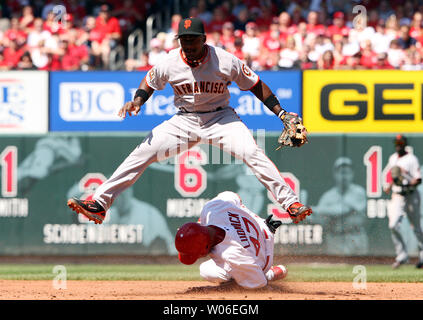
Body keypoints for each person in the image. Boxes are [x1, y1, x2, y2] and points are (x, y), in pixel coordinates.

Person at [67, 17, 312, 226]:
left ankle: (290, 203)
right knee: (143, 151)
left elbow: (256, 85)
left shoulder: (225, 60)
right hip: (184, 120)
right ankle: (100, 203)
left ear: (204, 39)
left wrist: (281, 113)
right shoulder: (170, 61)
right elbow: (149, 82)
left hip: (221, 118)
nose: (188, 45)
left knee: (252, 152)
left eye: (192, 40)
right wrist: (138, 101)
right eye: (184, 40)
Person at [175, 191, 287, 289]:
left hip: (263, 254)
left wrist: (216, 289)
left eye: (197, 255)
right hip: (264, 227)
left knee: (205, 270)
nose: (198, 257)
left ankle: (269, 273)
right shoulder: (212, 208)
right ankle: (254, 273)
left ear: (205, 248)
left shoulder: (233, 256)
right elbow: (234, 196)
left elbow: (259, 285)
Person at [310, 157, 368, 255]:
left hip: (356, 237)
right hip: (335, 238)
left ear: (352, 174)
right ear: (335, 174)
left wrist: (313, 209)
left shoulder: (358, 192)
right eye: (341, 172)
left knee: (360, 267)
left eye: (347, 172)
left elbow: (341, 210)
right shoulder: (327, 196)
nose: (344, 176)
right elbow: (320, 219)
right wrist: (305, 214)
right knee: (337, 268)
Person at [383, 134, 423, 269]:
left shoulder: (412, 159)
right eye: (396, 142)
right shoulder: (393, 158)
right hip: (398, 195)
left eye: (400, 142)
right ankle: (402, 256)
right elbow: (392, 176)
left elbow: (418, 179)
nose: (398, 144)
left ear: (405, 143)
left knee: (416, 228)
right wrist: (388, 185)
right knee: (393, 225)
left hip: (411, 195)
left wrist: (409, 183)